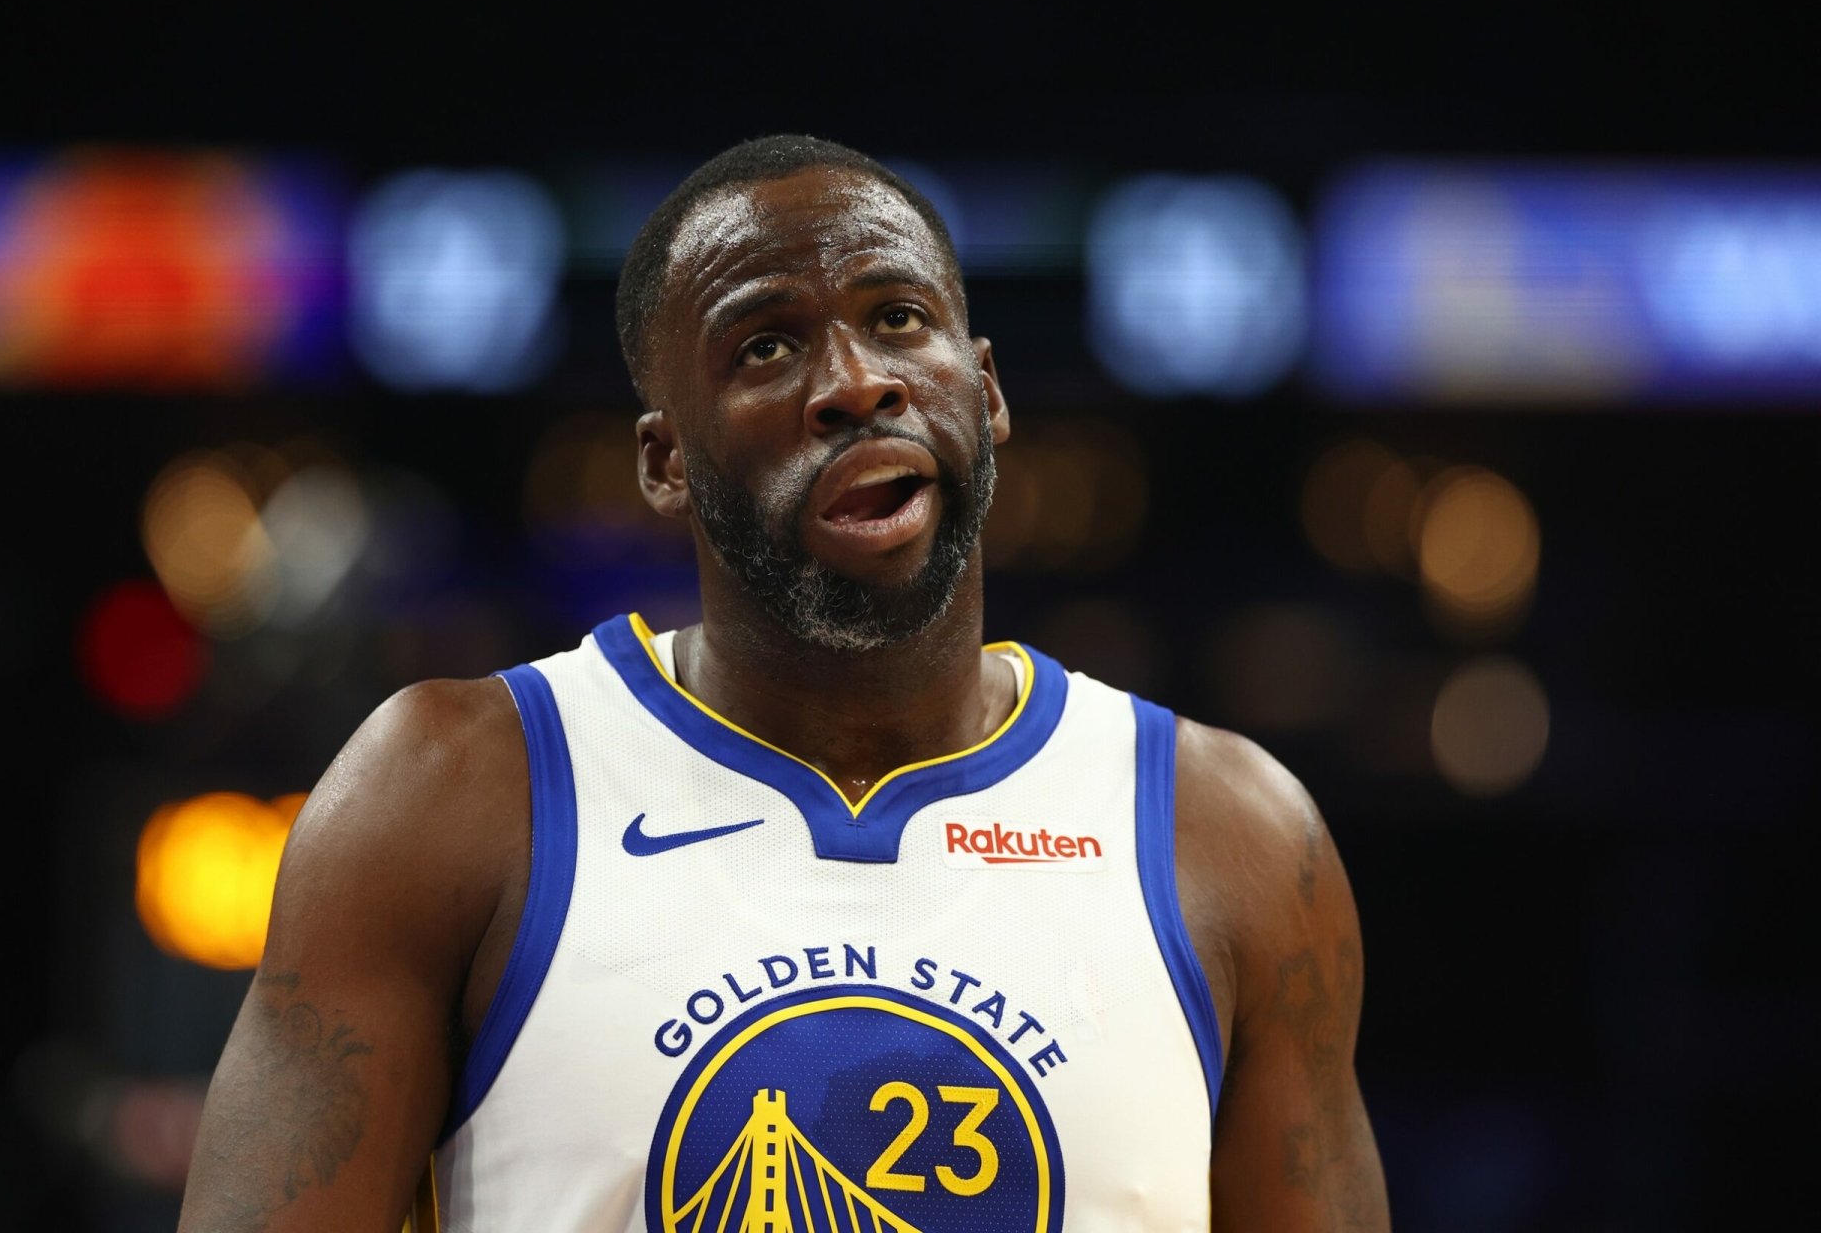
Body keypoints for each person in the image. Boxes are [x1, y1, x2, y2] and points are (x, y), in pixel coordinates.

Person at [178, 135, 1388, 1232]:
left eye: (900, 318)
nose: (856, 381)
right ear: (665, 461)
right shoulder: (447, 790)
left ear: (990, 390)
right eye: (767, 344)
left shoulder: (1228, 830)